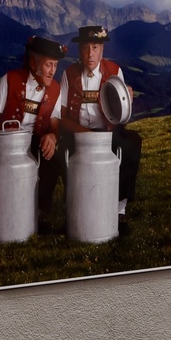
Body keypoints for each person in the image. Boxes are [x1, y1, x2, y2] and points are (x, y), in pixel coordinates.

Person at [0, 35, 67, 231]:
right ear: (33, 62)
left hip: (34, 140)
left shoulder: (56, 89)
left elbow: (55, 122)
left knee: (52, 160)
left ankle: (39, 214)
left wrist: (53, 136)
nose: (52, 71)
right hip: (5, 140)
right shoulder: (11, 79)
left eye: (55, 65)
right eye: (48, 65)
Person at [60, 25, 142, 234]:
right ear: (80, 51)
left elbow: (121, 114)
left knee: (131, 144)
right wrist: (84, 134)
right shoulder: (69, 74)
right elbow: (62, 116)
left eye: (95, 48)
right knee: (62, 154)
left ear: (102, 50)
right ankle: (73, 208)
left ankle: (119, 211)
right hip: (78, 132)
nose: (90, 54)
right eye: (86, 48)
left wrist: (128, 102)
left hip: (107, 132)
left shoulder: (115, 72)